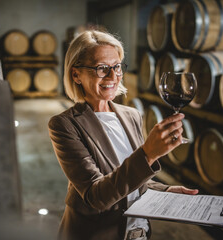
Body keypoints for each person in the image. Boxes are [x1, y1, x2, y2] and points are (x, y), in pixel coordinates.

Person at [48, 30, 198, 240]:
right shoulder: (64, 125)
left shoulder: (132, 115)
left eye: (117, 67)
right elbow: (96, 195)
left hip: (137, 233)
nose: (113, 76)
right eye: (102, 68)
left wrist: (166, 191)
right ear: (76, 74)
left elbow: (132, 181)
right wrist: (148, 153)